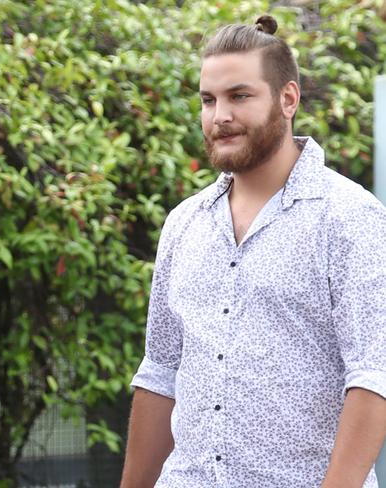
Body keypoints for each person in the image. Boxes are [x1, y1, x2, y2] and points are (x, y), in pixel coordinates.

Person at [120, 15, 386, 488]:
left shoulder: (350, 218)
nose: (219, 115)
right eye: (208, 99)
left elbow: (373, 378)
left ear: (288, 99)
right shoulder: (184, 223)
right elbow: (160, 375)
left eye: (239, 96)